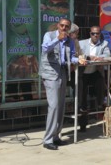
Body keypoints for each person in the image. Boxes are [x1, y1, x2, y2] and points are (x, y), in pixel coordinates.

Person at [39, 18, 78, 150]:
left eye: (66, 27)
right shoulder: (49, 35)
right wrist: (58, 39)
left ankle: (56, 136)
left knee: (61, 107)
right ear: (58, 26)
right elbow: (45, 48)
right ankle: (48, 139)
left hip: (62, 73)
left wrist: (80, 60)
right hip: (50, 73)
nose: (64, 28)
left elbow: (71, 56)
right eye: (62, 25)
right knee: (54, 105)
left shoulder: (70, 41)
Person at [78, 26, 111, 132]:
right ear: (90, 34)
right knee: (81, 97)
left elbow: (107, 55)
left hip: (95, 72)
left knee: (101, 83)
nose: (95, 35)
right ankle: (83, 124)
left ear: (100, 34)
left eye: (97, 33)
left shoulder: (104, 43)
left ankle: (101, 104)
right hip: (83, 73)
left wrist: (100, 57)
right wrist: (88, 57)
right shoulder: (82, 43)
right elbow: (77, 54)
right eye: (93, 33)